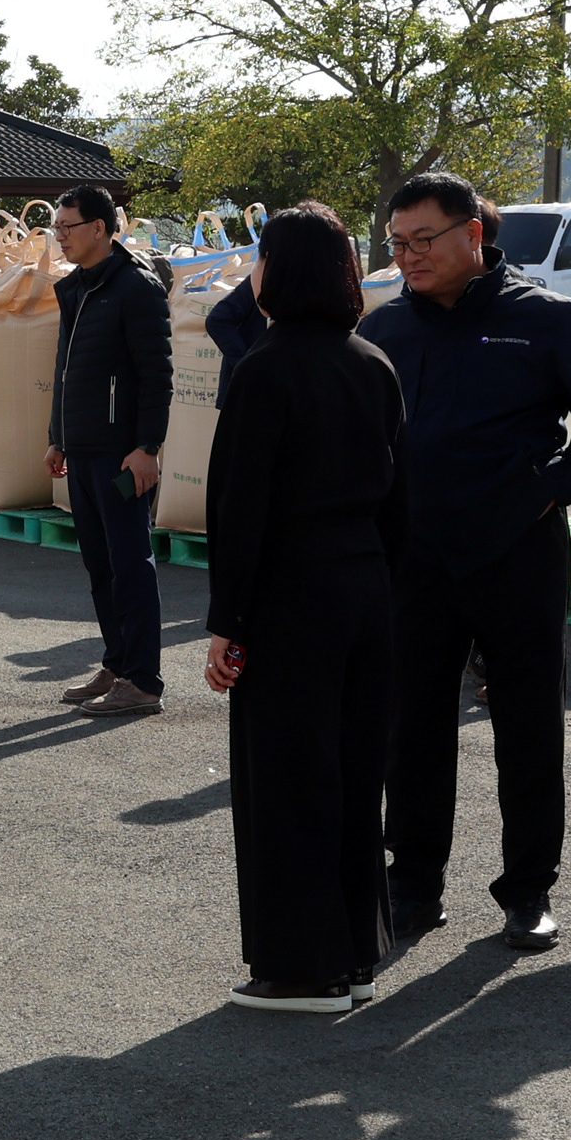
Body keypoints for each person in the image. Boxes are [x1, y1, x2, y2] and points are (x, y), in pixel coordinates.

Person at [363, 171, 571, 955]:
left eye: (424, 240)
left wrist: (549, 491)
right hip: (416, 560)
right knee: (411, 727)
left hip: (516, 554)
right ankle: (412, 885)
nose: (410, 256)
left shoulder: (549, 320)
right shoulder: (386, 331)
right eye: (397, 244)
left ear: (473, 236)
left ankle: (528, 891)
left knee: (527, 727)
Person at [202, 205, 410, 1013]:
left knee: (286, 780)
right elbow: (402, 500)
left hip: (291, 594)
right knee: (354, 778)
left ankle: (302, 967)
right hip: (365, 588)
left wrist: (230, 623)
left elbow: (239, 507)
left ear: (276, 273)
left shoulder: (264, 367)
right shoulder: (373, 363)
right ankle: (356, 954)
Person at [47, 187, 176, 716]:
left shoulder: (135, 286)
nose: (61, 236)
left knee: (130, 565)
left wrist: (148, 446)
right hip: (82, 448)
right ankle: (118, 662)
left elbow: (156, 373)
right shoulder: (76, 288)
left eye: (68, 227)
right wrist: (57, 435)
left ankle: (142, 679)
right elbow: (64, 369)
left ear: (100, 228)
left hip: (123, 454)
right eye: (57, 227)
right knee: (100, 566)